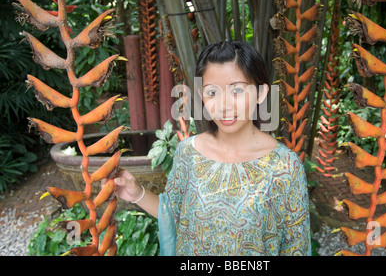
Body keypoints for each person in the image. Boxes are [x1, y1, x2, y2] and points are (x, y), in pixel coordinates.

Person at [113, 41, 311, 256]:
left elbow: (296, 248)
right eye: (212, 93)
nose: (224, 105)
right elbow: (174, 215)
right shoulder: (188, 153)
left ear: (261, 93)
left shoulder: (285, 167)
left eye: (237, 90)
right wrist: (137, 194)